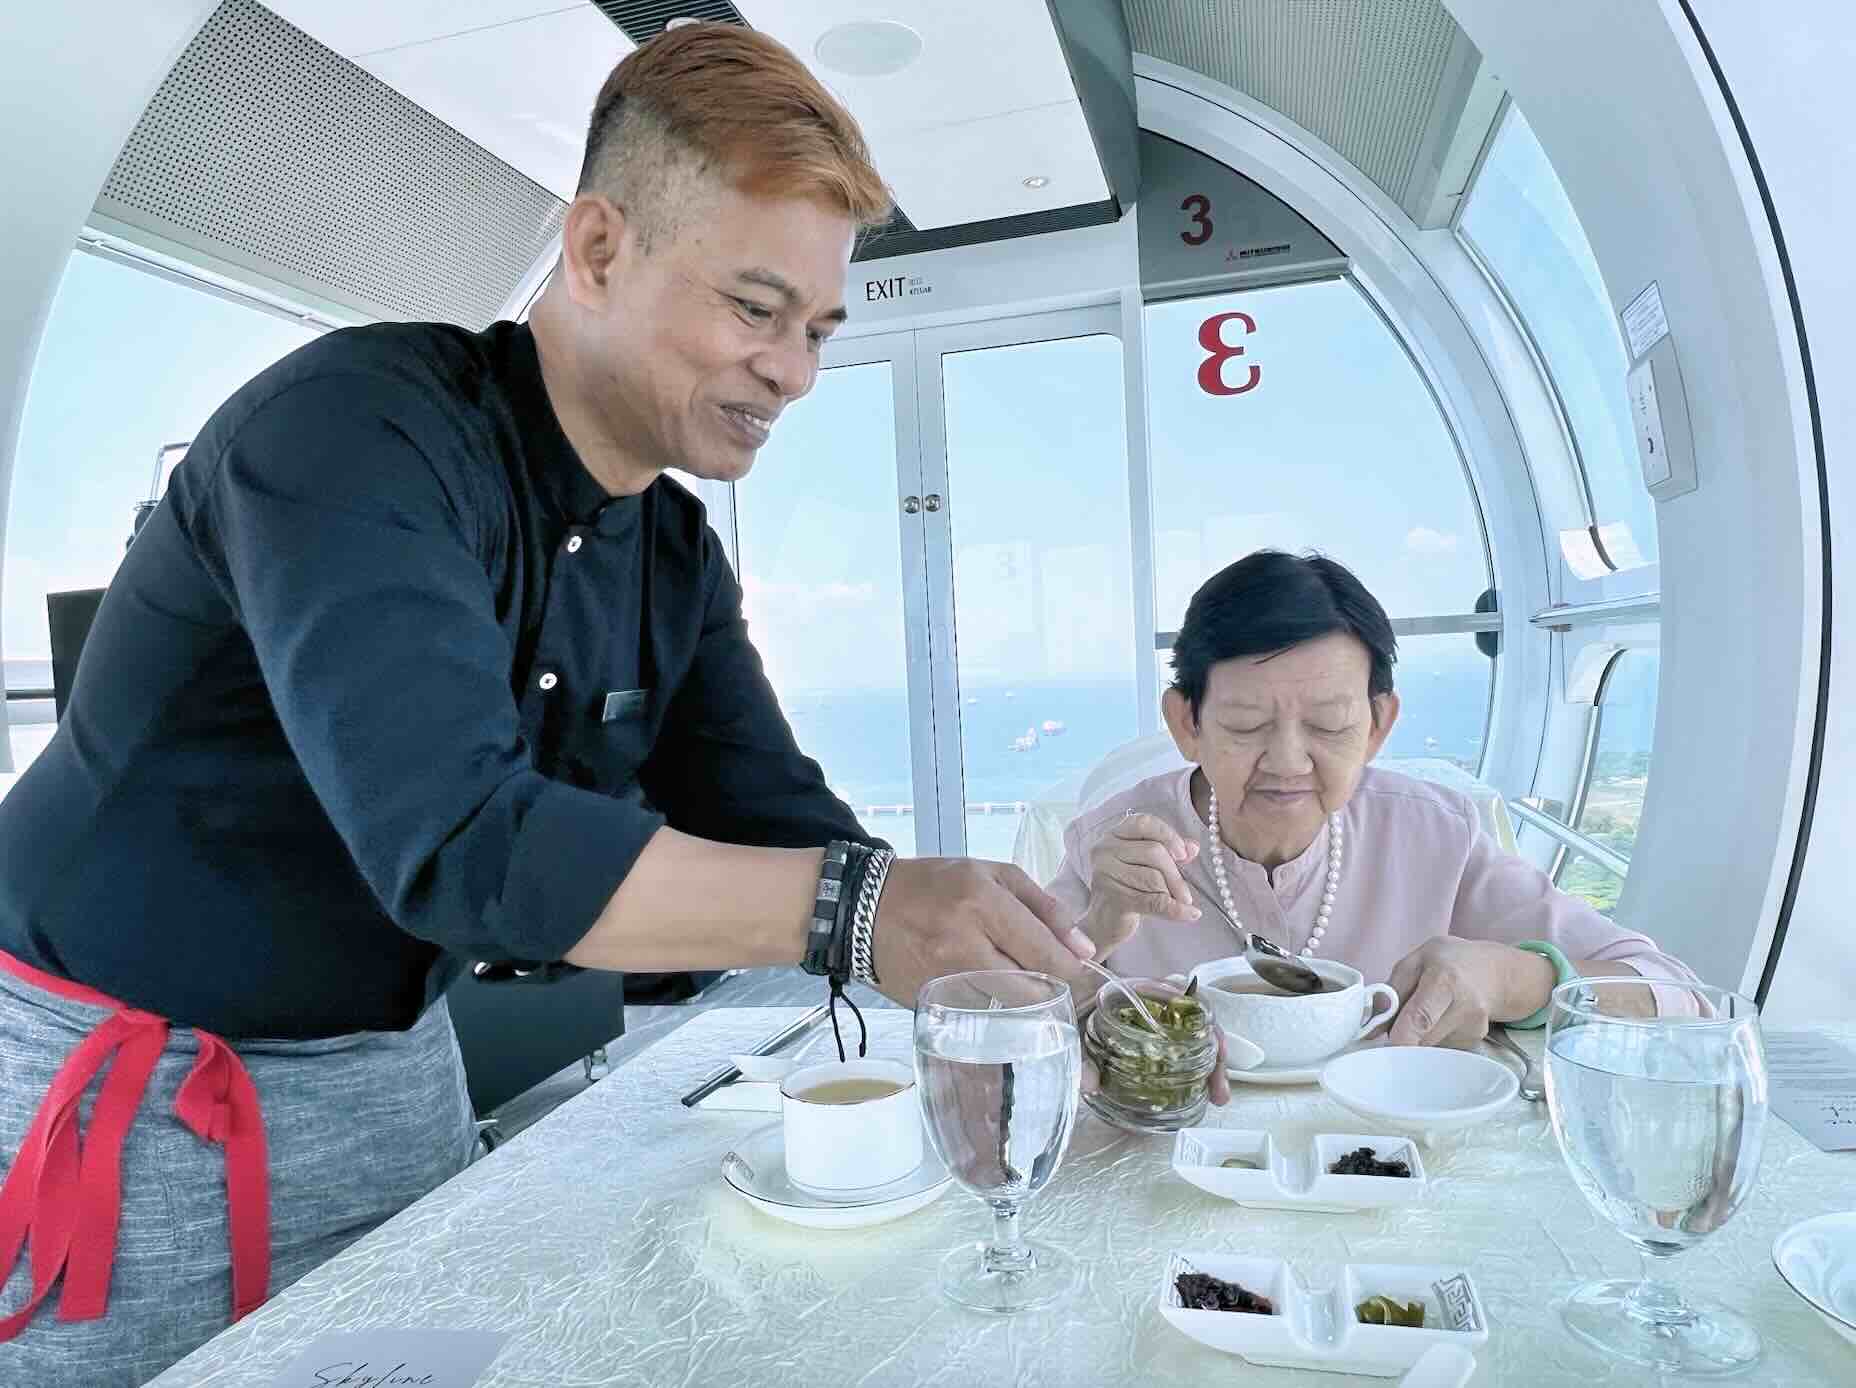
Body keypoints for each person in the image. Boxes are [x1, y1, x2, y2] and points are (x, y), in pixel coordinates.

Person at [0, 27, 1105, 1385]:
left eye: (818, 331)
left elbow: (774, 817)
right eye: (756, 309)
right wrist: (863, 913)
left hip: (392, 1066)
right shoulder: (354, 433)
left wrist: (1009, 977)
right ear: (595, 249)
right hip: (125, 1086)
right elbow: (464, 840)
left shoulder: (672, 551)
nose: (794, 372)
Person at [1048, 550, 1699, 1047]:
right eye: (1246, 725)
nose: (1288, 762)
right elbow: (1006, 1021)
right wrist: (1099, 929)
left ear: (1378, 726)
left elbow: (1670, 990)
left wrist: (1509, 979)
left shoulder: (1434, 835)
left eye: (1329, 725)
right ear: (1187, 723)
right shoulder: (1114, 842)